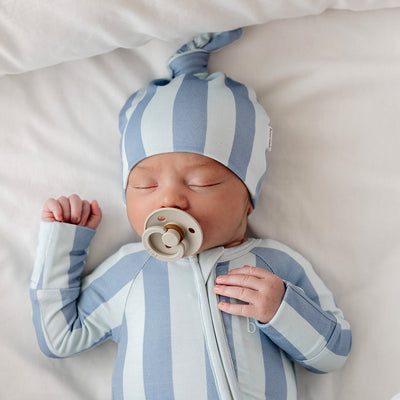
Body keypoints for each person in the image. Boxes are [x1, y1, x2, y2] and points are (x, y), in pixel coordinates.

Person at [30, 29, 351, 400]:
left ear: (248, 198)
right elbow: (59, 338)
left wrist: (281, 309)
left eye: (202, 183)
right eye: (147, 186)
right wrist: (62, 246)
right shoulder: (130, 271)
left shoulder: (274, 266)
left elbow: (334, 353)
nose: (171, 200)